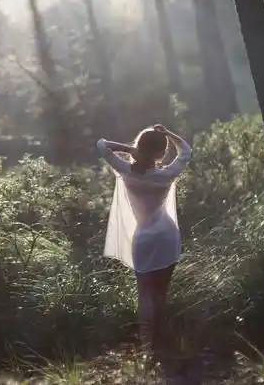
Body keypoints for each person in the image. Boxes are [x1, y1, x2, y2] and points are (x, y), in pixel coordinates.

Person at [95, 124, 192, 357]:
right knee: (161, 293)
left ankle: (148, 347)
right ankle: (162, 340)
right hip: (168, 236)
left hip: (144, 239)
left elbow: (102, 145)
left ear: (139, 148)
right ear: (161, 153)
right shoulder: (167, 173)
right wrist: (168, 133)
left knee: (146, 293)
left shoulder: (127, 171)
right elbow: (186, 151)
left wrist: (131, 150)